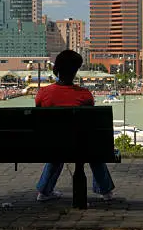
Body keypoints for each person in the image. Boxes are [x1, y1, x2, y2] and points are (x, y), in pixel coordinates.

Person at [35, 50, 115, 202]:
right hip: (82, 146)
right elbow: (92, 124)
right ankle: (105, 191)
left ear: (57, 69)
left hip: (50, 145)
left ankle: (44, 191)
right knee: (93, 150)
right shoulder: (85, 95)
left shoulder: (43, 93)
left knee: (57, 148)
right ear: (76, 71)